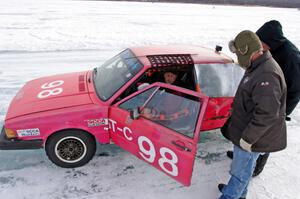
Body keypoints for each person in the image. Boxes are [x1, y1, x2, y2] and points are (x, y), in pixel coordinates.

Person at [218, 30, 287, 199]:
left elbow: (267, 114)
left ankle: (230, 196)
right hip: (246, 130)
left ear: (246, 51)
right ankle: (240, 195)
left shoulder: (267, 75)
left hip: (252, 137)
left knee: (240, 174)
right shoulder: (258, 65)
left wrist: (248, 138)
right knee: (243, 170)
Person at [227, 20, 300, 177]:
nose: (258, 46)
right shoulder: (264, 53)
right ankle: (243, 154)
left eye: (260, 42)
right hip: (264, 94)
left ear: (270, 43)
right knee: (251, 125)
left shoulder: (291, 57)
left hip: (279, 100)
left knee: (265, 135)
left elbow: (296, 88)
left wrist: (282, 111)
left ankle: (256, 167)